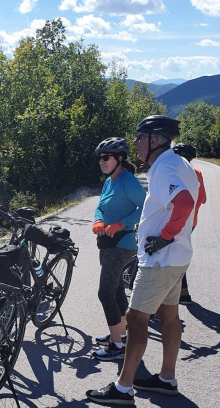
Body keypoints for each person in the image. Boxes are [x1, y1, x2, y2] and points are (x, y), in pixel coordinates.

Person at [86, 115, 199, 406]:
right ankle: (166, 378)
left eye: (140, 137)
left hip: (161, 258)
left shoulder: (164, 167)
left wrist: (164, 236)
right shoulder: (179, 163)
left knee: (136, 319)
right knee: (170, 315)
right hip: (177, 256)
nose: (135, 143)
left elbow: (184, 203)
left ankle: (123, 388)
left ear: (155, 140)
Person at [90, 137, 147, 361]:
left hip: (122, 245)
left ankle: (117, 346)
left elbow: (145, 208)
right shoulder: (109, 181)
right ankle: (121, 335)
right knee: (115, 291)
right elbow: (100, 207)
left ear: (119, 159)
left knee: (105, 292)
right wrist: (98, 221)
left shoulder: (128, 180)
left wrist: (121, 223)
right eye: (100, 158)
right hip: (106, 243)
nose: (102, 162)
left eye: (106, 158)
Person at [172, 143, 207, 305]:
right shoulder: (197, 173)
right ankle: (181, 293)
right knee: (177, 253)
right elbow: (204, 199)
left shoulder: (177, 172)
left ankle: (182, 293)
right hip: (192, 222)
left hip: (177, 220)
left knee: (172, 254)